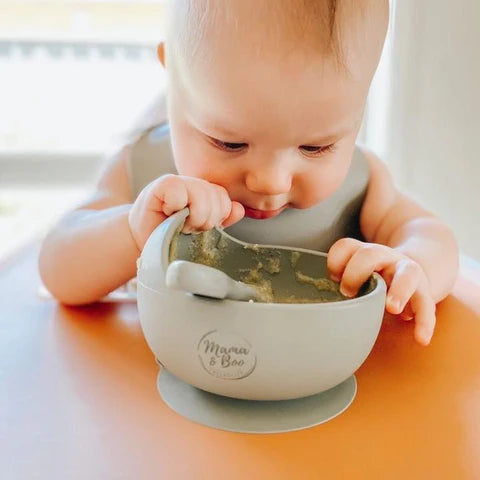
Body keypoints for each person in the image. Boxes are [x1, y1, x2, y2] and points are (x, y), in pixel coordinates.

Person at [39, 0, 459, 346]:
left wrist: (411, 264)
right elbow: (58, 267)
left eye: (315, 147)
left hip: (317, 393)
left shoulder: (360, 185)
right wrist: (133, 233)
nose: (271, 181)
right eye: (229, 142)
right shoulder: (144, 170)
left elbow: (430, 233)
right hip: (170, 404)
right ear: (174, 74)